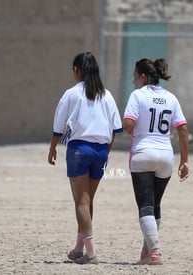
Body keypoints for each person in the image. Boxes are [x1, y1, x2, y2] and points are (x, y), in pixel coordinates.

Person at [48, 52, 123, 264]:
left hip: (79, 149)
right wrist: (105, 152)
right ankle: (79, 248)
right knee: (88, 201)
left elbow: (58, 127)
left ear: (77, 71)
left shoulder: (71, 94)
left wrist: (52, 148)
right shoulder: (106, 95)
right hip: (100, 150)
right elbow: (115, 128)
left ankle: (91, 253)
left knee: (80, 202)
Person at [123, 58, 189, 265]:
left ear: (143, 77)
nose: (134, 81)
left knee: (145, 205)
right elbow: (183, 130)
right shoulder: (171, 98)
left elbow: (127, 124)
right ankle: (147, 252)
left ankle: (155, 252)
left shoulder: (137, 95)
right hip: (166, 156)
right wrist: (184, 161)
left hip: (143, 154)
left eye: (135, 77)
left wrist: (130, 126)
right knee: (155, 204)